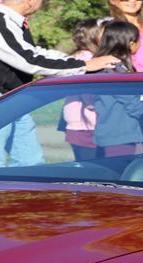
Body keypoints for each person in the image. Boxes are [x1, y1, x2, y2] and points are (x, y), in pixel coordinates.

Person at [0, 1, 121, 170]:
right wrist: (84, 66)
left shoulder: (11, 21)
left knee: (29, 162)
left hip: (9, 97)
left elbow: (33, 52)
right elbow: (27, 60)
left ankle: (28, 195)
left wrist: (83, 62)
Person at [91, 21, 143, 158]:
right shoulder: (114, 70)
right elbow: (130, 102)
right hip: (121, 136)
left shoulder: (107, 68)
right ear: (131, 43)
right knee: (120, 175)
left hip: (114, 134)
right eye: (139, 40)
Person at [62, 19, 105, 161]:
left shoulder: (81, 58)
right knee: (92, 168)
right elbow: (88, 92)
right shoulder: (88, 60)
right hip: (86, 124)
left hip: (82, 124)